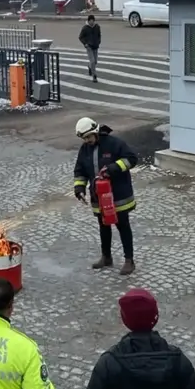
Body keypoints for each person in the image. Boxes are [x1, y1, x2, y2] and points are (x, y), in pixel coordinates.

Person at [74, 117, 138, 275]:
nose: (87, 141)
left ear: (95, 132)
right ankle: (106, 256)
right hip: (99, 196)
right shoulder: (85, 149)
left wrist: (113, 168)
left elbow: (131, 159)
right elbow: (80, 170)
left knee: (123, 225)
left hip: (118, 194)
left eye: (89, 137)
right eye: (84, 138)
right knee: (103, 226)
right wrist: (79, 188)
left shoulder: (114, 143)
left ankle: (129, 260)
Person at [79, 14, 102, 83]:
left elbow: (99, 35)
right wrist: (85, 44)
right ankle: (94, 76)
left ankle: (89, 67)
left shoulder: (97, 27)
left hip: (95, 46)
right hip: (89, 46)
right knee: (92, 61)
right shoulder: (85, 28)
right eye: (90, 21)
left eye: (93, 21)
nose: (91, 22)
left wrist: (99, 41)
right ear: (88, 21)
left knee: (95, 61)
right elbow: (80, 37)